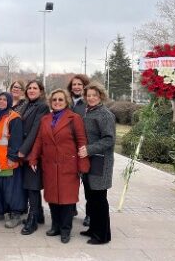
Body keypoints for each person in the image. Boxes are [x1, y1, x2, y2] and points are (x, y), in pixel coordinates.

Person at [27, 89, 90, 244]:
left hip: (68, 165)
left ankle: (65, 230)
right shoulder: (45, 119)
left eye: (60, 99)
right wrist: (33, 158)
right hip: (49, 165)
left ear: (66, 101)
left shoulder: (74, 118)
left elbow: (82, 142)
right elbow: (39, 140)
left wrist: (82, 165)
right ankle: (55, 226)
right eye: (54, 99)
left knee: (67, 199)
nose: (57, 102)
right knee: (52, 197)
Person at [78, 82, 116, 245]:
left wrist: (89, 149)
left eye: (94, 95)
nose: (91, 98)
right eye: (88, 95)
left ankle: (102, 235)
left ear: (100, 96)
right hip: (90, 161)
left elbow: (109, 139)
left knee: (99, 199)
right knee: (91, 197)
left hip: (100, 162)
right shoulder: (89, 112)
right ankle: (93, 229)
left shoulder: (105, 114)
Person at [17, 80, 50, 235]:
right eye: (29, 88)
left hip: (33, 152)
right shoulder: (25, 105)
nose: (31, 90)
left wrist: (23, 150)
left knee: (33, 187)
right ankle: (39, 215)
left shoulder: (42, 106)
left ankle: (32, 220)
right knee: (29, 185)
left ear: (41, 91)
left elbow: (36, 130)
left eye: (34, 88)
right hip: (24, 151)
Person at [0, 92, 25, 228]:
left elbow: (16, 139)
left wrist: (12, 157)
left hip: (7, 159)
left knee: (12, 189)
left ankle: (15, 214)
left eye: (5, 99)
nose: (1, 101)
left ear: (9, 102)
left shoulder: (14, 118)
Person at [67, 74, 91, 226]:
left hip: (84, 148)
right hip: (68, 147)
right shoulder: (66, 102)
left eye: (79, 84)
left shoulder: (87, 103)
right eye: (74, 84)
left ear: (84, 86)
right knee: (70, 180)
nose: (76, 87)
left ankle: (90, 213)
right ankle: (71, 208)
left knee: (88, 182)